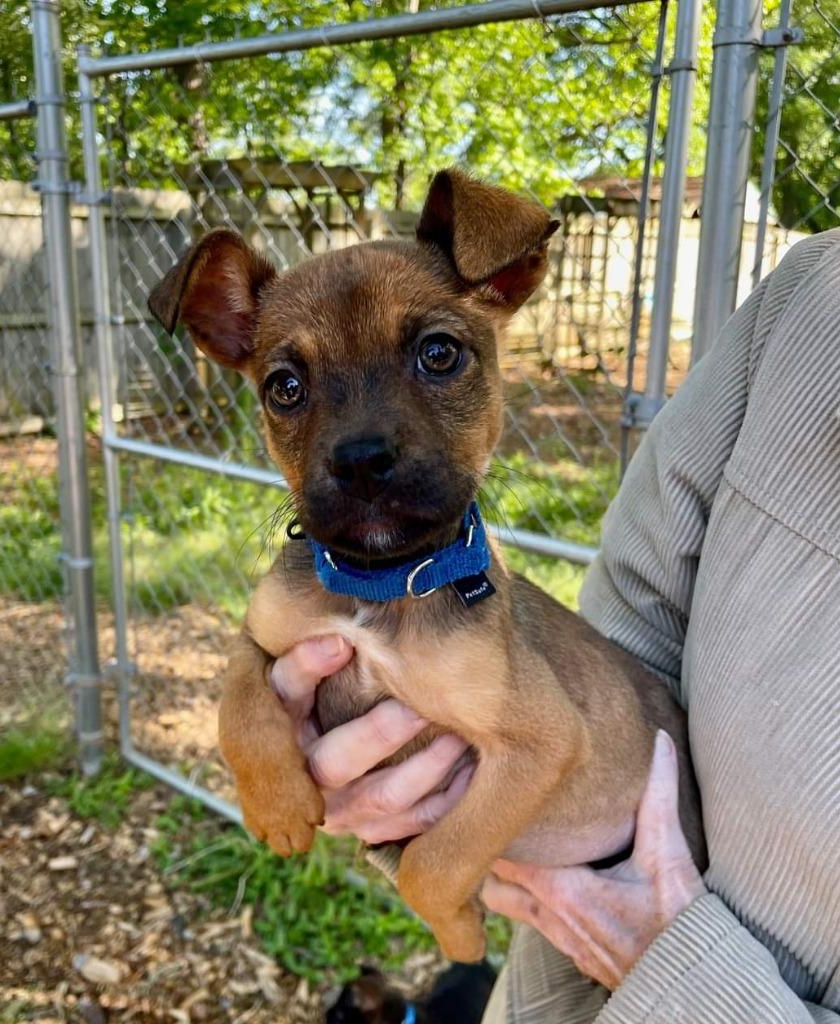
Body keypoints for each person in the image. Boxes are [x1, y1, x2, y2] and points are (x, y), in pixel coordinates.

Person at [265, 229, 840, 1022]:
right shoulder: (813, 294)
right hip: (553, 961)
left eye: (436, 357)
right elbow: (634, 606)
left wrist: (682, 973)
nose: (360, 444)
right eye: (290, 388)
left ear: (508, 280)